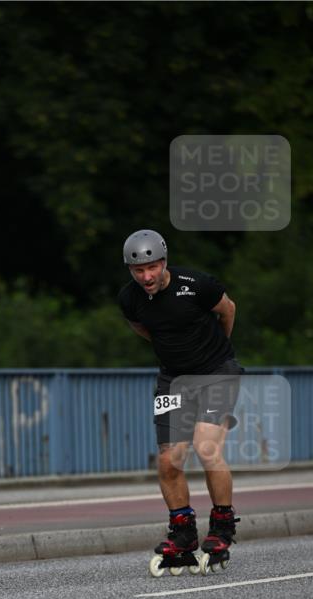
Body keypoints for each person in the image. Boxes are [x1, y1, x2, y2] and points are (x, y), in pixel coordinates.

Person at [117, 229, 243, 573]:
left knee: (206, 448)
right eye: (138, 271)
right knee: (169, 460)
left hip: (217, 371)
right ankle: (183, 532)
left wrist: (217, 352)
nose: (146, 277)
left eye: (152, 268)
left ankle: (222, 527)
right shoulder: (130, 298)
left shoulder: (197, 284)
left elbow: (228, 311)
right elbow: (145, 329)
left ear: (164, 262)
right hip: (173, 380)